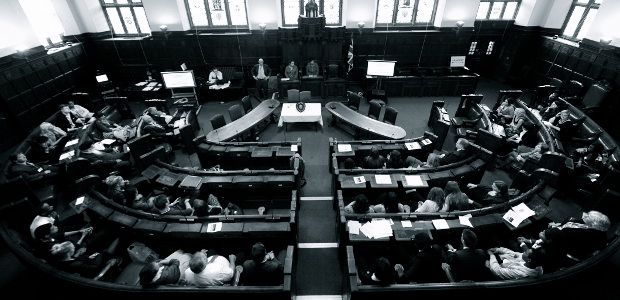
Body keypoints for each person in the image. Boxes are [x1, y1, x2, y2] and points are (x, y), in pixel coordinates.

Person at [49, 238, 121, 278]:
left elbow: (73, 259)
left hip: (88, 260)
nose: (74, 247)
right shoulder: (75, 264)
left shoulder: (63, 260)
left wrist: (78, 254)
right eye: (73, 247)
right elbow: (95, 267)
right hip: (95, 269)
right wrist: (99, 254)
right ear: (68, 253)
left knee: (96, 247)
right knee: (105, 252)